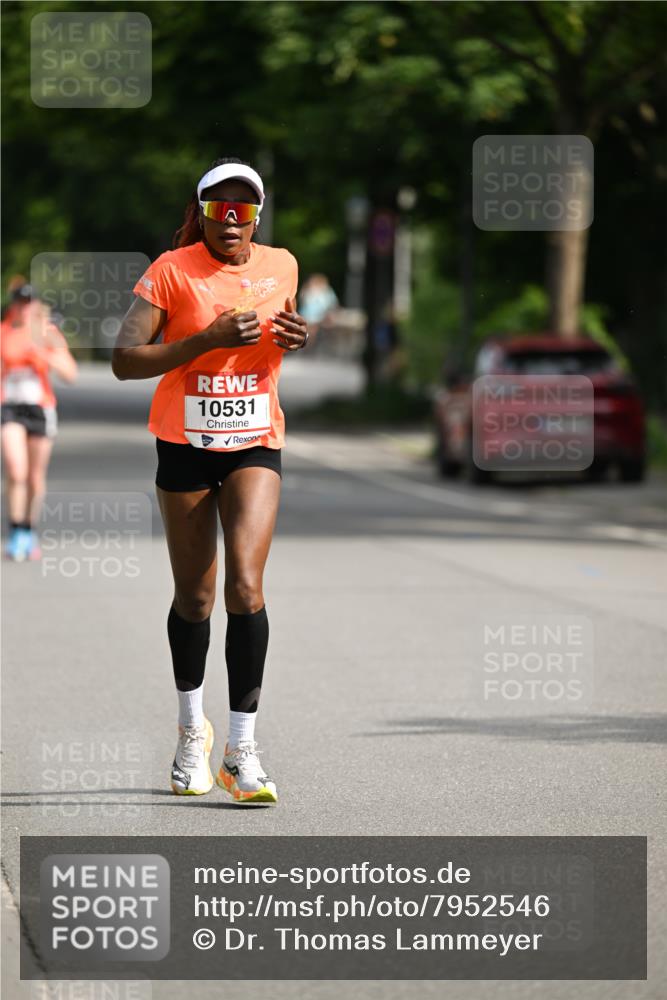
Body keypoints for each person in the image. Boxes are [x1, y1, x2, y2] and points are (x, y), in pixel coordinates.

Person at [112, 157, 308, 807]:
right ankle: (191, 732)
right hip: (184, 443)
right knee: (194, 600)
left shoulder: (282, 265)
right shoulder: (171, 271)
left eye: (244, 208)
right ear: (200, 213)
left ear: (258, 215)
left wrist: (296, 336)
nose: (232, 219)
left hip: (254, 439)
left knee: (245, 588)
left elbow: (278, 336)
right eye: (219, 208)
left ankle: (241, 748)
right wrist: (203, 341)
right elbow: (123, 360)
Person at [1, 283, 78, 561]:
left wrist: (44, 355)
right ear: (14, 305)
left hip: (40, 408)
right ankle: (15, 529)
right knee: (15, 469)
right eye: (20, 302)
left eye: (29, 302)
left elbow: (70, 373)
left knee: (34, 476)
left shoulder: (48, 333)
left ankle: (29, 529)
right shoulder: (4, 331)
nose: (24, 307)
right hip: (9, 407)